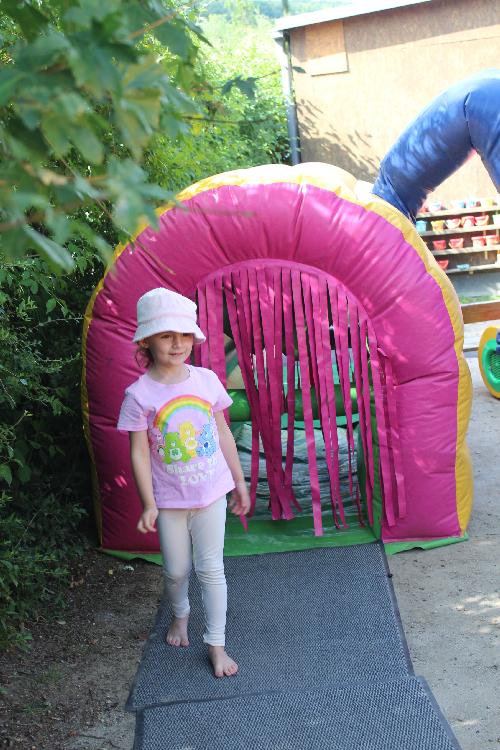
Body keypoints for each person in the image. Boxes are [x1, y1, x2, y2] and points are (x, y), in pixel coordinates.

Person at [117, 287, 250, 678]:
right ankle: (180, 613)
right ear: (146, 340)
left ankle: (216, 644)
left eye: (184, 334)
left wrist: (239, 481)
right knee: (176, 571)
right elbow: (139, 453)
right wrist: (148, 503)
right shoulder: (139, 395)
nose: (178, 344)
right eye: (166, 335)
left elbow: (222, 433)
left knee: (211, 569)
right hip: (170, 501)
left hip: (211, 495)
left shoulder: (206, 380)